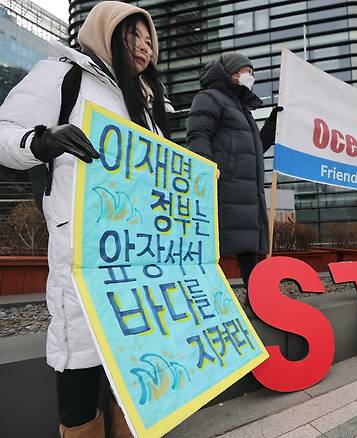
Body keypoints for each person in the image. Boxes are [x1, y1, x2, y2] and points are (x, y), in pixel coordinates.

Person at [0, 2, 169, 435]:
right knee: (80, 350)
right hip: (84, 249)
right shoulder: (63, 75)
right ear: (105, 32)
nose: (145, 45)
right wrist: (38, 140)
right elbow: (4, 130)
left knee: (132, 357)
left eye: (150, 38)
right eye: (134, 34)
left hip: (139, 254)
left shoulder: (147, 102)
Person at [186, 53, 281, 306]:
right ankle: (206, 299)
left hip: (246, 189)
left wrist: (272, 126)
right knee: (214, 244)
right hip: (223, 185)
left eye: (251, 71)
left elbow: (254, 148)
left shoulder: (242, 108)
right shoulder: (209, 98)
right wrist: (205, 171)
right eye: (244, 70)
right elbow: (198, 134)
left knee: (248, 245)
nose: (249, 76)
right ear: (229, 73)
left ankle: (256, 297)